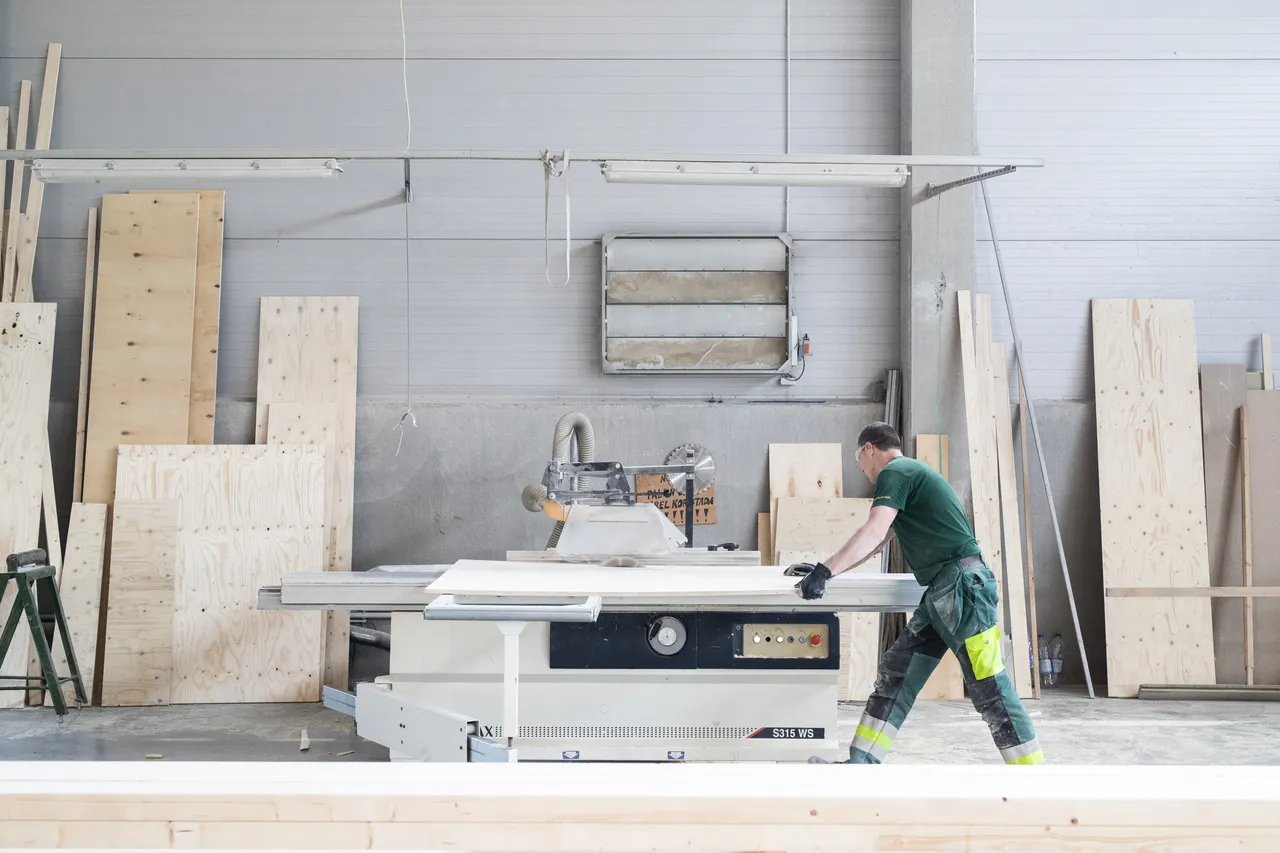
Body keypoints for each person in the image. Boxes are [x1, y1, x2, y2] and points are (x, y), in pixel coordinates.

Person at [788, 422, 1043, 766]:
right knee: (898, 674)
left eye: (859, 460)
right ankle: (860, 764)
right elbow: (878, 541)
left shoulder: (895, 471)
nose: (861, 470)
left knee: (989, 685)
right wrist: (827, 569)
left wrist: (826, 570)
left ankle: (1031, 774)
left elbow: (874, 529)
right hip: (943, 592)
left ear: (869, 449)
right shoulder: (910, 476)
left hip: (962, 590)